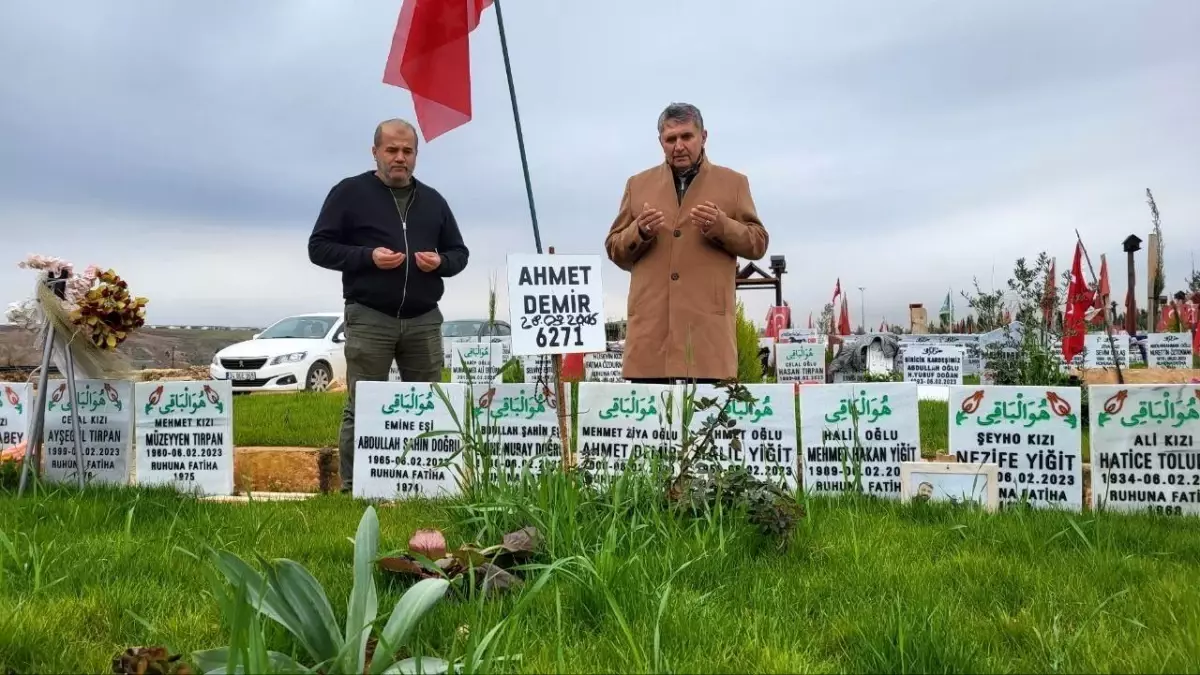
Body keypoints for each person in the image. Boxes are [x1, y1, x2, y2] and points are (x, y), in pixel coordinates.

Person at [308, 118, 469, 492]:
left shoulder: (433, 200)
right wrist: (367, 257)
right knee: (362, 405)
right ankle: (354, 489)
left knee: (428, 404)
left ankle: (429, 485)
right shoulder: (349, 192)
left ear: (416, 155)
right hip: (370, 317)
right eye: (392, 150)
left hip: (424, 319)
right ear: (375, 152)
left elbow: (459, 253)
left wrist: (441, 263)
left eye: (407, 151)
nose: (400, 158)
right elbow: (319, 247)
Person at [604, 102, 768, 383]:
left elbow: (758, 243)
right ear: (661, 142)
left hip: (707, 339)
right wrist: (639, 231)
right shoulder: (637, 185)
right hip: (651, 340)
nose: (678, 146)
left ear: (703, 137)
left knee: (706, 426)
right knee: (652, 426)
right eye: (671, 139)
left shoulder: (734, 184)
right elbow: (614, 248)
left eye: (686, 137)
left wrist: (722, 226)